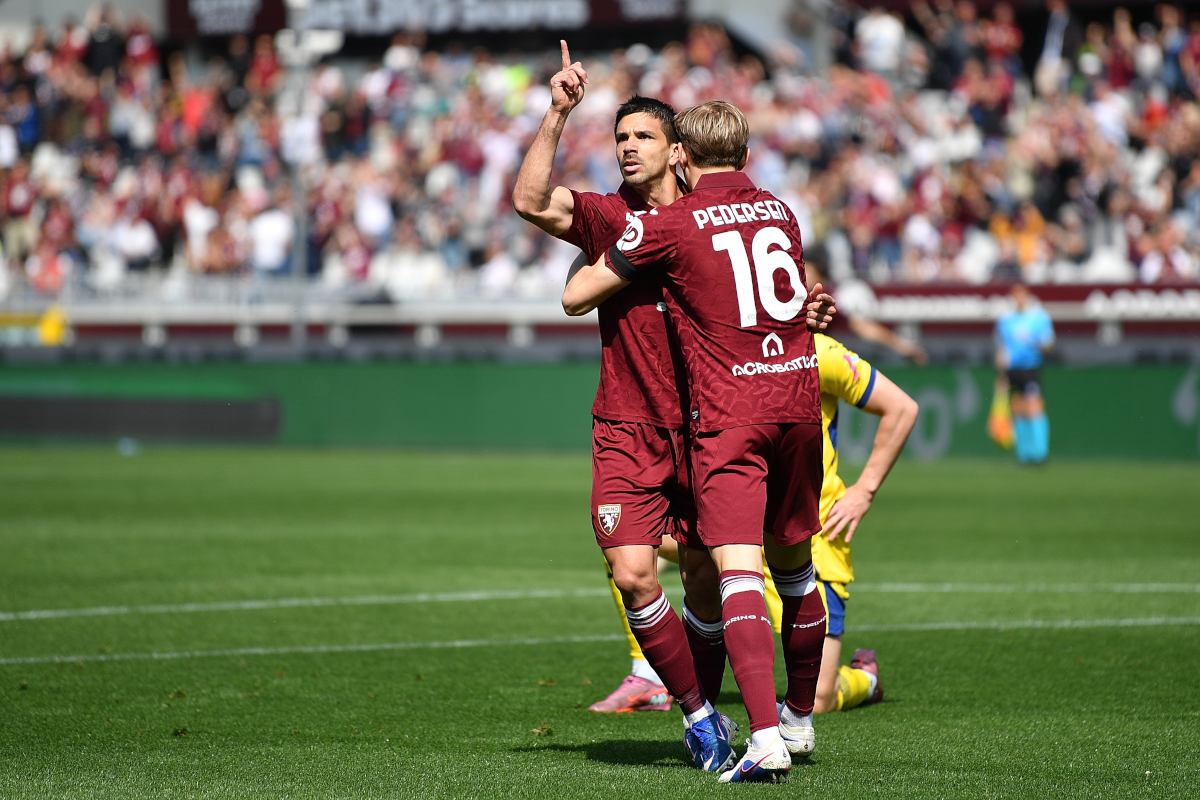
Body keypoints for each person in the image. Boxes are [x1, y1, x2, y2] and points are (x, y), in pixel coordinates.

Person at [564, 100, 836, 783]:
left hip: (727, 414)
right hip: (798, 398)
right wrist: (814, 307)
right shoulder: (781, 211)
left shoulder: (671, 225)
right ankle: (789, 720)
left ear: (681, 154)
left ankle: (766, 737)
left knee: (736, 574)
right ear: (746, 157)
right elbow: (791, 292)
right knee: (797, 569)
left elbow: (576, 296)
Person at [513, 44, 739, 773]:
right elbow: (530, 201)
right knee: (634, 573)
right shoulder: (610, 217)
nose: (628, 148)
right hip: (625, 429)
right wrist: (556, 113)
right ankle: (702, 716)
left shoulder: (712, 219)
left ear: (679, 152)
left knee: (705, 576)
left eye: (642, 137)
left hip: (705, 429)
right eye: (620, 138)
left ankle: (703, 704)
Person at [806, 332, 918, 712]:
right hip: (743, 531)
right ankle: (648, 674)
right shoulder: (722, 343)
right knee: (631, 548)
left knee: (818, 700)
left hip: (816, 538)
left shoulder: (819, 350)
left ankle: (865, 679)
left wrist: (865, 489)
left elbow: (902, 408)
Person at [995, 283, 1054, 464]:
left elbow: (1048, 344)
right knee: (1018, 408)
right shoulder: (1005, 320)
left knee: (1034, 407)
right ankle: (1024, 453)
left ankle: (1040, 453)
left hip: (1031, 367)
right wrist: (1001, 373)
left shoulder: (1038, 317)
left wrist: (1033, 341)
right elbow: (1002, 348)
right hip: (1013, 369)